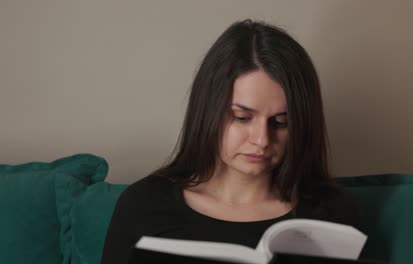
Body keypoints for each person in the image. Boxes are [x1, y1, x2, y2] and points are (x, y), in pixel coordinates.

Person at [101, 19, 361, 264]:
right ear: (209, 111)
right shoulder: (143, 205)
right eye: (242, 117)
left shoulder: (333, 215)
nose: (261, 139)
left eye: (281, 122)